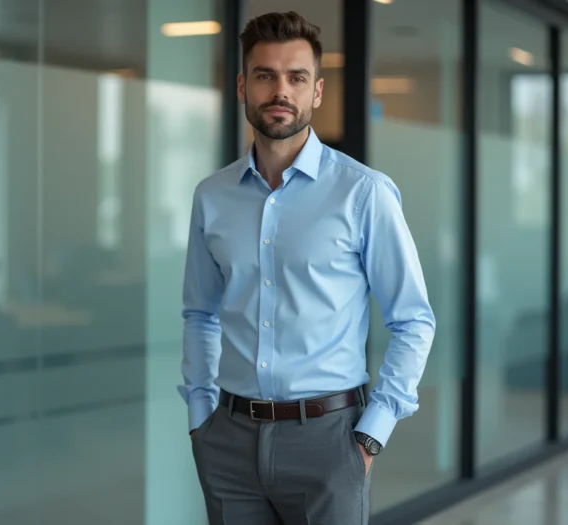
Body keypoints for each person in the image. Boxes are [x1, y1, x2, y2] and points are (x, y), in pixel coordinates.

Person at [177, 10, 435, 525]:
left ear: (317, 91)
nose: (280, 91)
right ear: (242, 86)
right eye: (265, 75)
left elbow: (413, 320)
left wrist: (370, 435)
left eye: (296, 77)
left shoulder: (363, 193)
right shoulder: (212, 197)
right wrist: (201, 418)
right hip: (228, 439)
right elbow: (199, 314)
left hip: (330, 441)